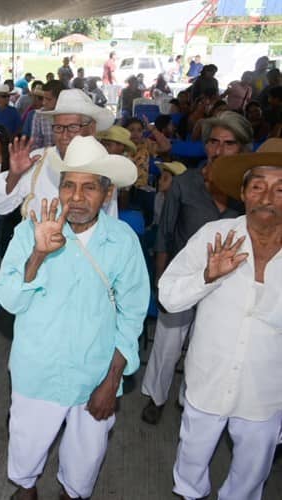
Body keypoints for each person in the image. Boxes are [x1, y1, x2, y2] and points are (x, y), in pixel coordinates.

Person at [0, 135, 148, 500]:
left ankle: (72, 493)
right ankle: (27, 488)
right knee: (26, 445)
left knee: (85, 459)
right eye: (69, 185)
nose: (77, 198)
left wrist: (112, 381)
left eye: (89, 188)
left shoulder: (122, 241)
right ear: (59, 188)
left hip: (93, 374)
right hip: (38, 371)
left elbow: (133, 315)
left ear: (107, 194)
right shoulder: (29, 231)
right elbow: (8, 299)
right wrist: (36, 254)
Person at [160, 143, 282, 500]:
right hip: (208, 380)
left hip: (267, 394)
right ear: (243, 193)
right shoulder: (214, 237)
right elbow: (168, 296)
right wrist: (207, 277)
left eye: (281, 188)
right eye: (258, 185)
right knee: (191, 465)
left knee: (250, 476)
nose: (268, 196)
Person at [140, 111, 253, 425]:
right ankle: (157, 396)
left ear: (242, 149)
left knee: (208, 346)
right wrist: (163, 280)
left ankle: (188, 398)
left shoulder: (250, 191)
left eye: (229, 144)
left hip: (230, 282)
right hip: (184, 277)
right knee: (167, 343)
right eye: (213, 142)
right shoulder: (186, 182)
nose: (218, 150)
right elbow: (165, 232)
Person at [0, 88, 118, 222]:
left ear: (91, 129)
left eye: (73, 127)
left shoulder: (102, 167)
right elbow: (1, 207)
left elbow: (110, 223)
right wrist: (15, 175)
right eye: (58, 128)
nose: (64, 135)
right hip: (34, 241)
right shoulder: (37, 159)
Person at [25, 79, 65, 150]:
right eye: (43, 98)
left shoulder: (69, 115)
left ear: (60, 99)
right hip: (45, 158)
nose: (44, 102)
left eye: (48, 99)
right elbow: (35, 144)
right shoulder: (39, 115)